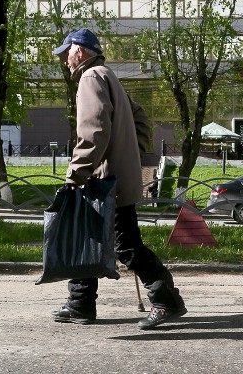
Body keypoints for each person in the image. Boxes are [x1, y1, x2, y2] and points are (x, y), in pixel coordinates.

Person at [50, 28, 186, 329]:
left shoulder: (90, 77)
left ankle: (167, 301)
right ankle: (80, 303)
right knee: (88, 236)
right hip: (112, 176)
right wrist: (132, 153)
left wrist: (75, 175)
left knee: (126, 245)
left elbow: (93, 132)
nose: (65, 62)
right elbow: (140, 118)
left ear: (80, 52)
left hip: (104, 181)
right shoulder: (108, 75)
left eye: (66, 54)